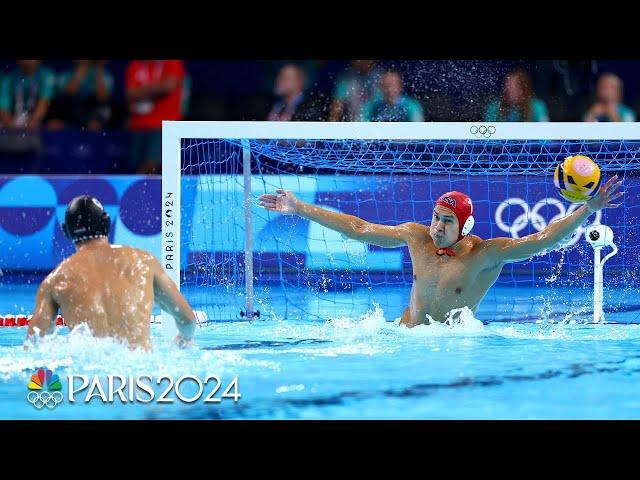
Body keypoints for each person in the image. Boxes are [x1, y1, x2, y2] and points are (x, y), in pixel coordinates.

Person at [259, 177, 623, 326]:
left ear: (464, 227)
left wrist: (588, 210)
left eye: (446, 221)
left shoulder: (485, 254)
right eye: (435, 217)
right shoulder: (416, 238)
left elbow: (541, 239)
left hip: (453, 343)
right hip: (403, 335)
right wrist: (301, 207)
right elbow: (359, 229)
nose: (436, 226)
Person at [26, 195, 196, 350]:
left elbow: (33, 347)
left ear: (66, 231)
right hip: (140, 373)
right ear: (106, 223)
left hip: (88, 379)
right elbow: (187, 319)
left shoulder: (55, 281)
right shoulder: (143, 262)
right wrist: (184, 339)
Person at [484, 69, 549, 122]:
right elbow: (488, 132)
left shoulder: (537, 106)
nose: (510, 92)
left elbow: (544, 131)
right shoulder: (494, 107)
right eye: (507, 87)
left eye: (515, 88)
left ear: (523, 89)